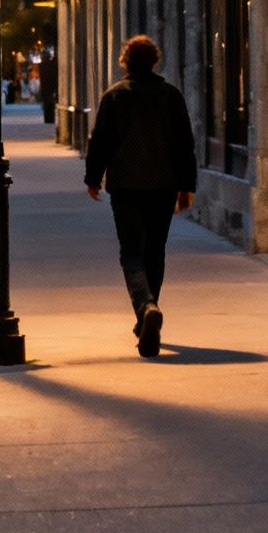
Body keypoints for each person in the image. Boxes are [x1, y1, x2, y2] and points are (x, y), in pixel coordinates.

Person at [84, 35, 196, 358]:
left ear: (125, 62)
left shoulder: (114, 98)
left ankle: (146, 308)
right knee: (155, 251)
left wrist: (93, 178)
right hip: (163, 186)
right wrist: (186, 186)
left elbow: (100, 141)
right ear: (154, 61)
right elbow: (184, 145)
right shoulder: (171, 96)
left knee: (131, 253)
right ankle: (148, 313)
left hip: (126, 187)